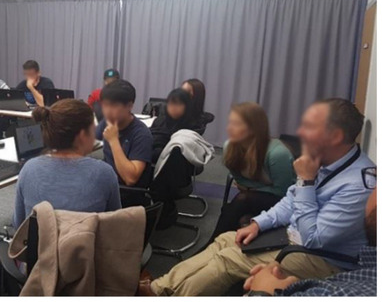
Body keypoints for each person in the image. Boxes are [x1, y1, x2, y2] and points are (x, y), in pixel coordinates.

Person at [140, 98, 374, 296]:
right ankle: (158, 288)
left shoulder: (358, 186)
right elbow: (290, 201)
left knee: (229, 259)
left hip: (323, 259)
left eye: (310, 127)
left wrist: (306, 181)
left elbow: (314, 239)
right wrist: (258, 224)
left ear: (335, 136)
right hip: (294, 239)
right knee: (225, 240)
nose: (301, 132)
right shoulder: (324, 160)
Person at [245, 179, 376, 297]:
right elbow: (290, 201)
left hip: (319, 255)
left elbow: (311, 239)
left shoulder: (359, 183)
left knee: (231, 257)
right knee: (230, 239)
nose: (374, 186)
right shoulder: (315, 167)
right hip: (291, 239)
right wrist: (258, 223)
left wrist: (261, 294)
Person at [13, 99, 121, 228]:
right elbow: (115, 226)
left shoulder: (29, 169)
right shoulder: (104, 173)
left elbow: (19, 225)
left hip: (40, 241)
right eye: (93, 130)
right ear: (82, 136)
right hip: (87, 241)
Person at [207, 102, 295, 242]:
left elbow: (282, 191)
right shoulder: (229, 146)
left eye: (236, 124)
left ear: (254, 128)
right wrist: (251, 189)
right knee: (237, 206)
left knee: (242, 201)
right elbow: (240, 180)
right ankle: (218, 244)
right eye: (230, 122)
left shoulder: (277, 154)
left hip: (282, 201)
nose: (229, 128)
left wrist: (250, 189)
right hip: (254, 195)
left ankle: (212, 244)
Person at [96, 80, 153, 207]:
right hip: (106, 183)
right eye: (105, 105)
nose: (107, 111)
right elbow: (91, 140)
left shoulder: (141, 134)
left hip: (124, 195)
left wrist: (113, 141)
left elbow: (130, 179)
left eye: (113, 105)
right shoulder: (107, 122)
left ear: (129, 106)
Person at [149, 88, 204, 163]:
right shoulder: (160, 120)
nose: (173, 108)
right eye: (170, 103)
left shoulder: (192, 127)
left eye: (178, 104)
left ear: (187, 106)